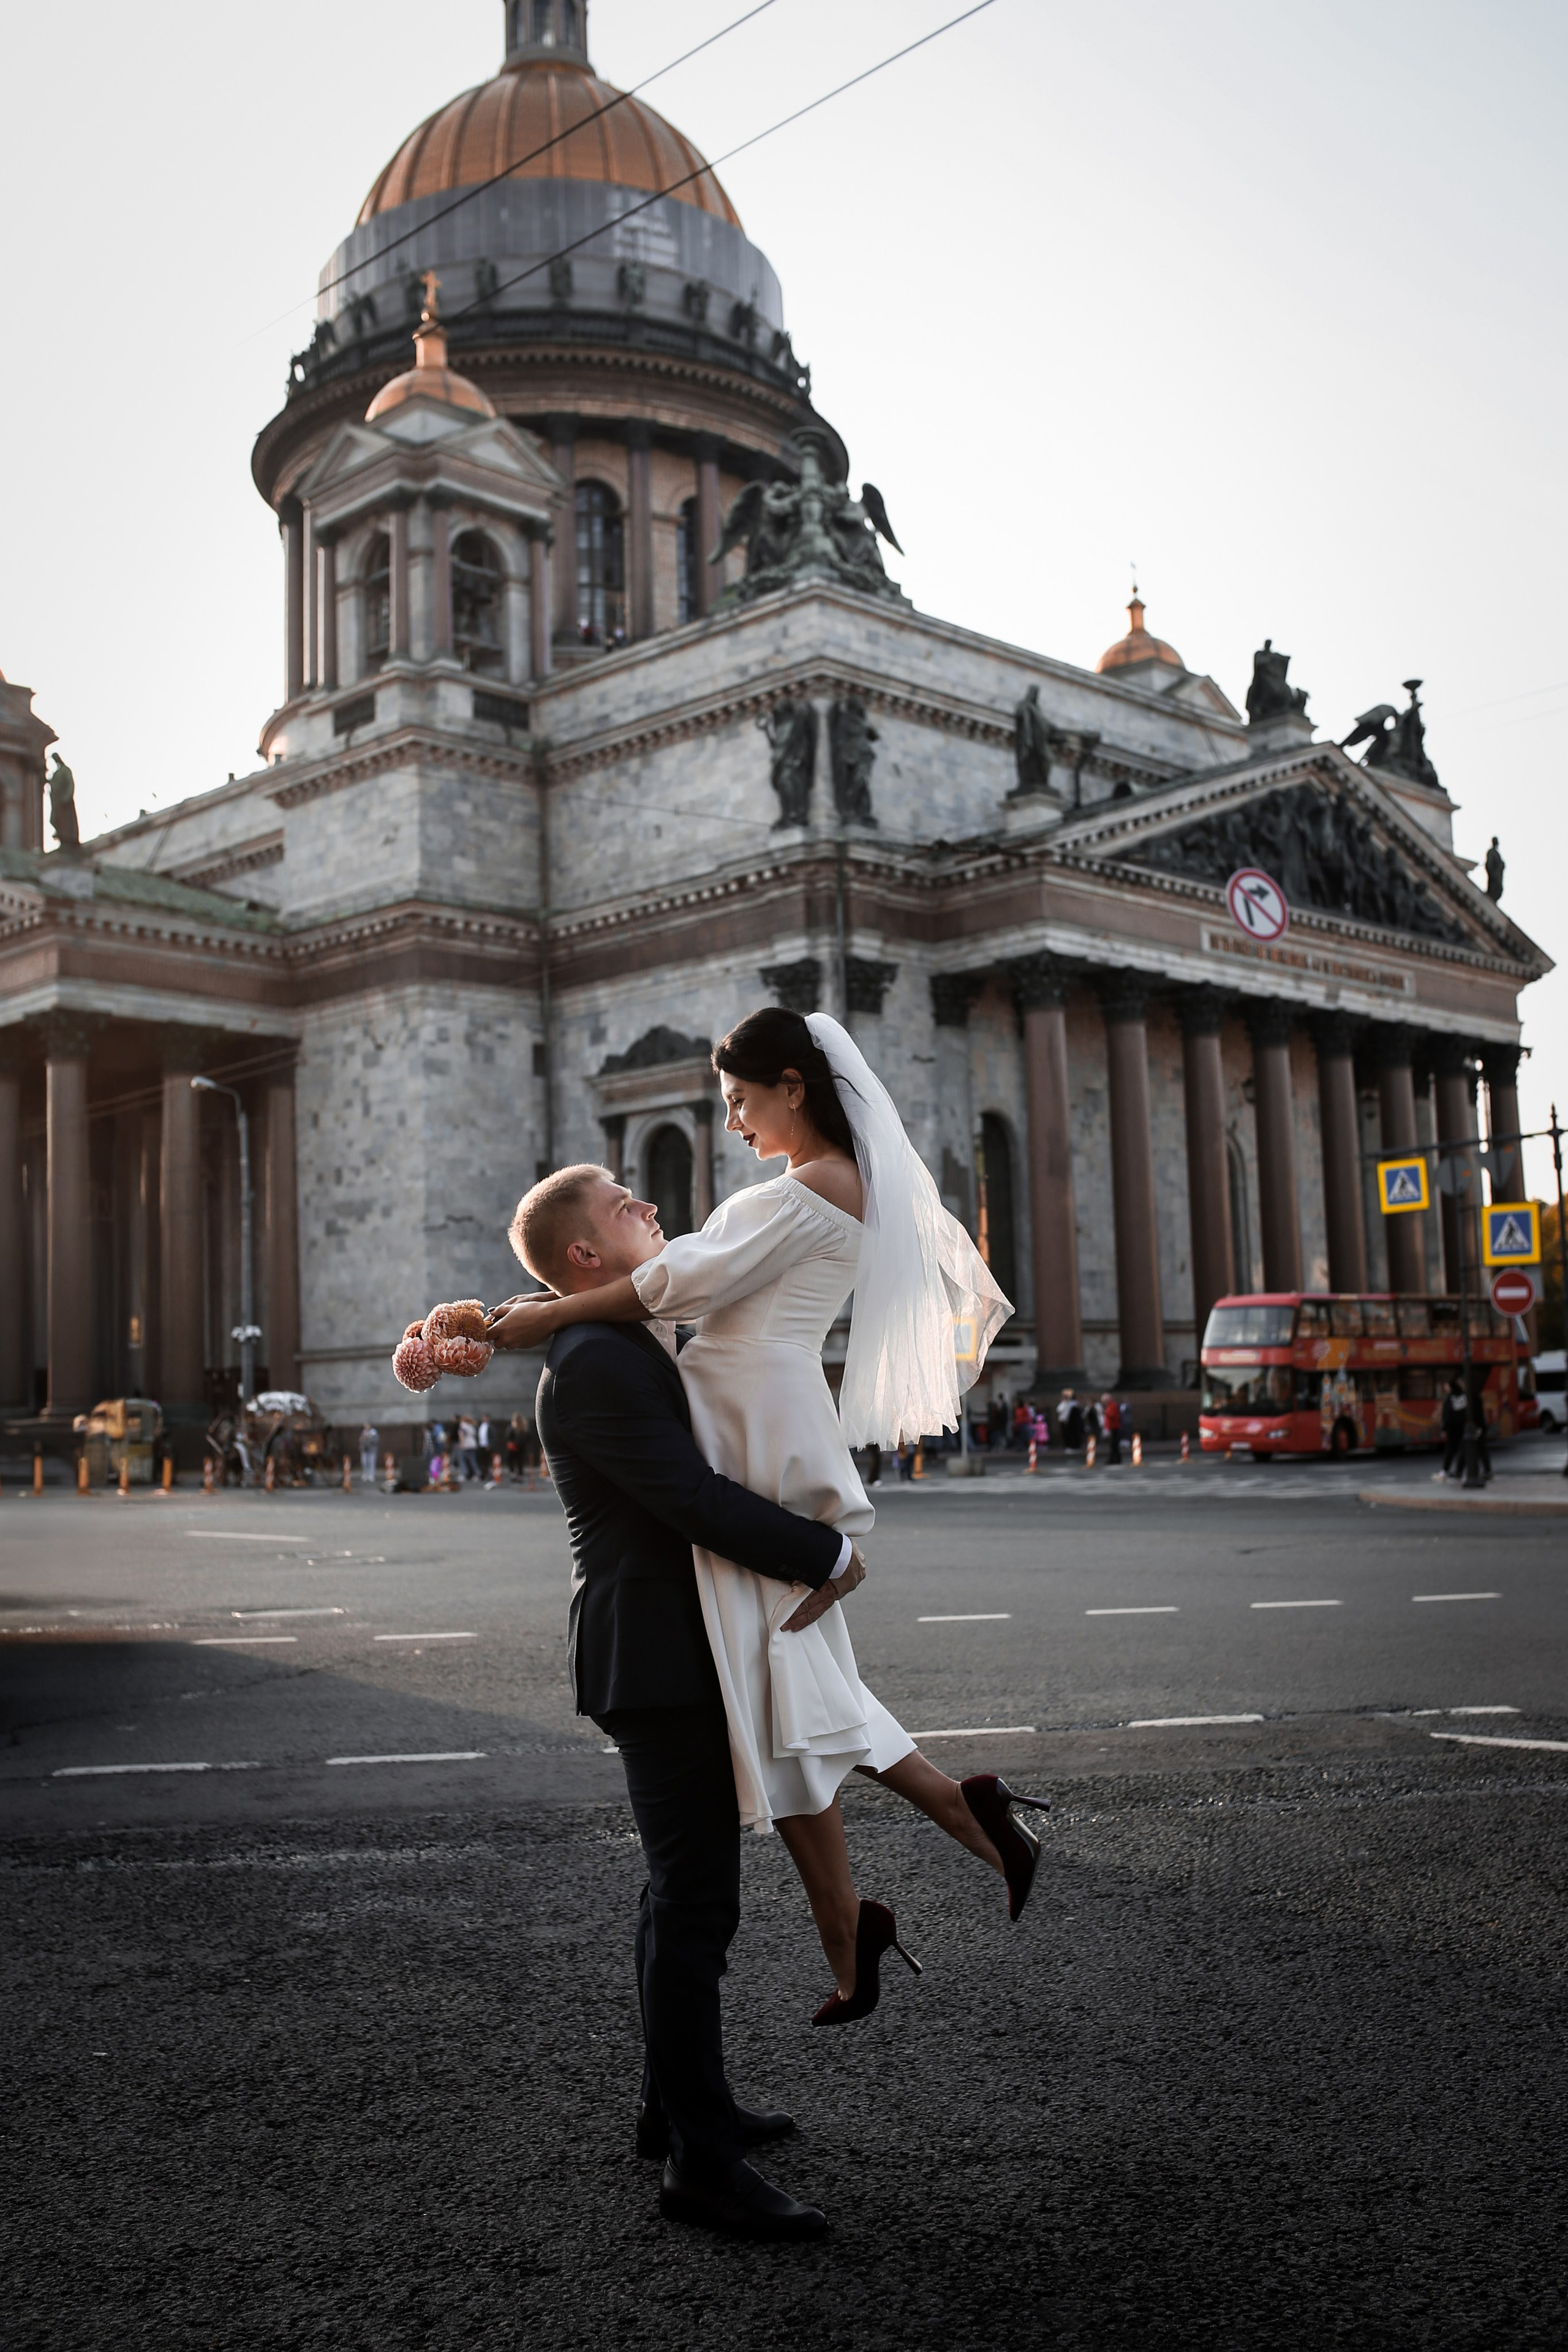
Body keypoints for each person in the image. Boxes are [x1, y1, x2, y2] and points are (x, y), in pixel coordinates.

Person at [490, 1010, 1049, 2019]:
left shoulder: (819, 1185)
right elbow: (664, 1280)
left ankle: (884, 1893)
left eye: (743, 1101)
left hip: (756, 1417)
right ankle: (916, 1864)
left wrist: (546, 1314)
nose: (737, 1123)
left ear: (794, 1084)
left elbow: (672, 1281)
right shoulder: (824, 1185)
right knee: (787, 1675)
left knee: (780, 1670)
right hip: (757, 1409)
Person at [497, 1161, 862, 2243]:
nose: (650, 1209)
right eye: (625, 1207)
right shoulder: (597, 1360)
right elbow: (690, 1501)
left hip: (661, 1646)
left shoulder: (617, 1335)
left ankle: (676, 2107)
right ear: (584, 1256)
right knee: (697, 1904)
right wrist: (826, 1551)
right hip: (652, 1656)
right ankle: (703, 2165)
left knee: (679, 1898)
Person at [1439, 1376, 1466, 1479]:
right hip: (1464, 1427)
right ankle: (1459, 1471)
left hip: (1452, 1429)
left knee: (1450, 1450)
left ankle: (1445, 1470)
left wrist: (1444, 1429)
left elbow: (1447, 1415)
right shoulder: (1464, 1397)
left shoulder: (1449, 1398)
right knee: (1464, 1450)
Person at [1101, 1392, 1122, 1466]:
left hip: (1114, 1428)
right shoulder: (1110, 1406)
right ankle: (1115, 1459)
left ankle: (1114, 1459)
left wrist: (1105, 1412)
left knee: (1114, 1445)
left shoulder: (1113, 1405)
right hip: (1111, 1427)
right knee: (1113, 1445)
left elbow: (1112, 1415)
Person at [359, 1421, 379, 1486]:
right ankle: (365, 1474)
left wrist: (369, 1439)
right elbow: (361, 1440)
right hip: (365, 1450)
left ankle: (371, 1475)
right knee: (364, 1462)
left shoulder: (373, 1432)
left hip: (372, 1450)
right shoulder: (364, 1432)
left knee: (371, 1463)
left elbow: (376, 1440)